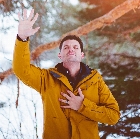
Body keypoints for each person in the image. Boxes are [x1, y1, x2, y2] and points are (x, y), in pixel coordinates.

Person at [12, 9, 120, 139]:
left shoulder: (95, 80)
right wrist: (22, 38)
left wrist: (82, 106)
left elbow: (113, 116)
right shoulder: (46, 78)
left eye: (75, 47)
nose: (71, 50)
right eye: (66, 47)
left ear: (82, 55)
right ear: (60, 55)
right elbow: (21, 70)